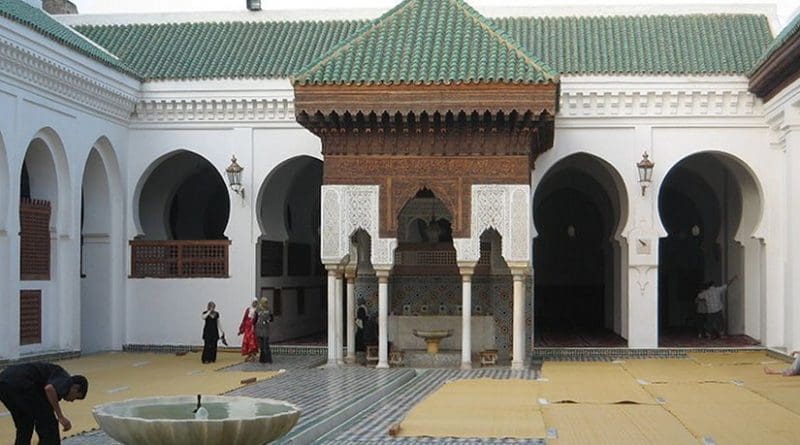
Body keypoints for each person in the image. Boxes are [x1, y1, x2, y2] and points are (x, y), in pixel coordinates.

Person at [0, 362, 88, 445]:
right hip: (21, 383)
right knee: (49, 425)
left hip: (4, 383)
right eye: (76, 397)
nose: (72, 401)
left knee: (25, 424)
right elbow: (49, 389)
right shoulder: (65, 379)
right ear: (75, 387)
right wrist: (61, 417)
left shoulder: (55, 376)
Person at [255, 297, 273, 364]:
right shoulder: (258, 310)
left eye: (266, 302)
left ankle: (268, 359)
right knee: (262, 346)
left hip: (266, 329)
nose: (266, 304)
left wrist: (268, 320)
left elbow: (272, 318)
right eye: (265, 302)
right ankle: (262, 359)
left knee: (266, 345)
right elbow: (255, 319)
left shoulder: (268, 309)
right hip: (259, 329)